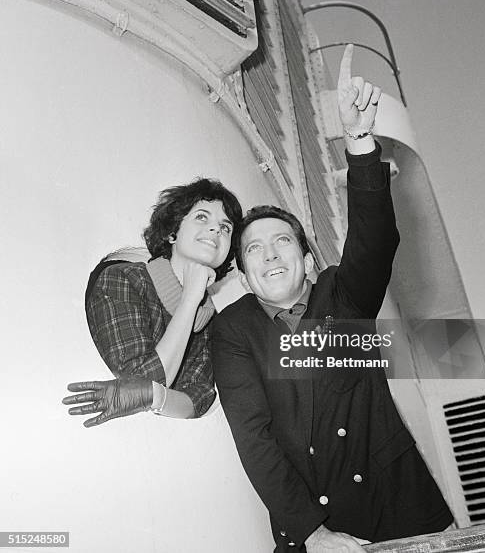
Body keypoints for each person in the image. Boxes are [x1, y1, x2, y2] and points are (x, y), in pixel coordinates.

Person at [210, 45, 453, 552]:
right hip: (316, 529)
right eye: (253, 249)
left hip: (398, 510)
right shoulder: (233, 331)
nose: (270, 255)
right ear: (245, 275)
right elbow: (254, 439)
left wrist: (360, 140)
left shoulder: (341, 295)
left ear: (306, 257)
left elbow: (375, 241)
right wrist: (314, 535)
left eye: (282, 242)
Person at [63, 178, 242, 426]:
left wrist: (158, 396)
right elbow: (136, 383)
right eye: (202, 217)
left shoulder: (212, 325)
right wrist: (190, 298)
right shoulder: (123, 280)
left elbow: (197, 399)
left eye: (226, 228)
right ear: (172, 233)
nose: (216, 230)